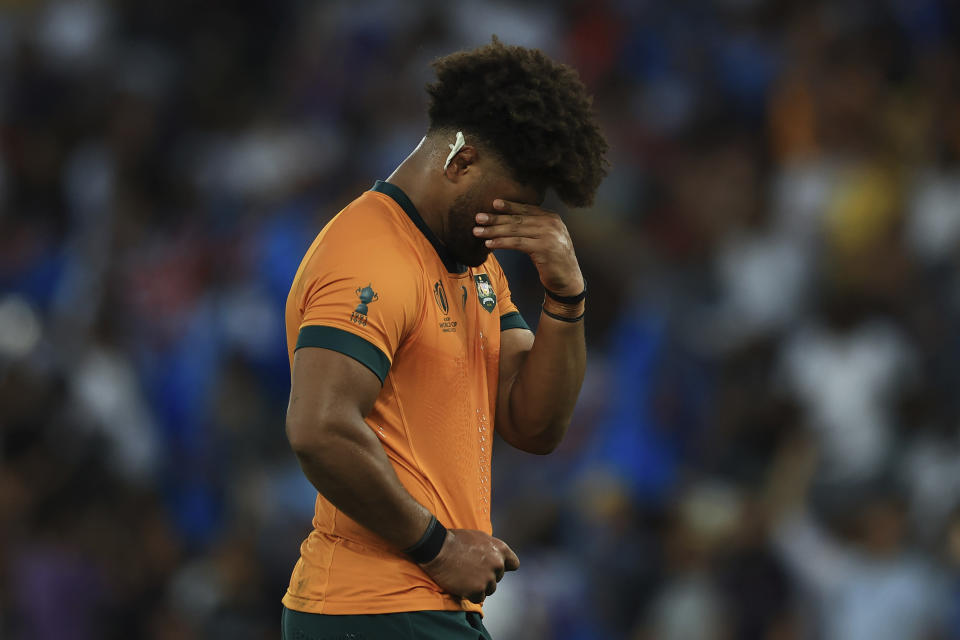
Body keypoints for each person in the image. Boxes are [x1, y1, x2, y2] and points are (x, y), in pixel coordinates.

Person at [281, 37, 608, 639]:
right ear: (460, 162)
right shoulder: (367, 257)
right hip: (376, 609)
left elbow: (533, 426)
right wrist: (436, 547)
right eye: (504, 206)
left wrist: (565, 297)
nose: (505, 230)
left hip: (412, 611)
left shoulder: (473, 263)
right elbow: (318, 429)